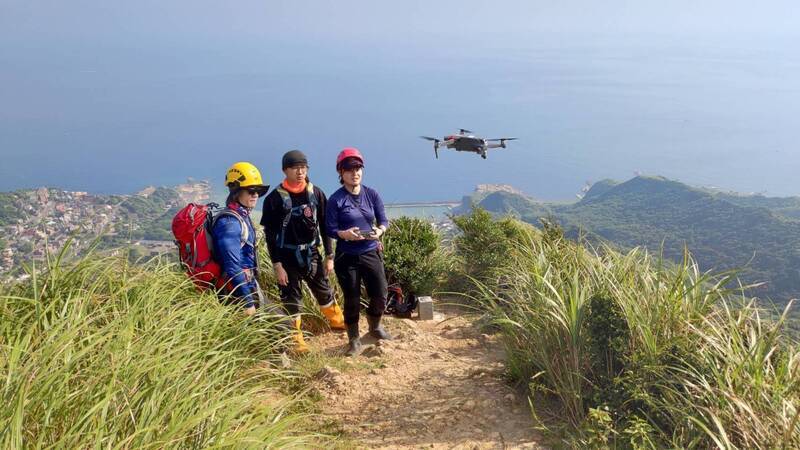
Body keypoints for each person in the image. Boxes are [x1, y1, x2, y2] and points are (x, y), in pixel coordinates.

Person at [261, 150, 346, 353]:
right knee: (291, 299)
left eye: (303, 167)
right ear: (285, 170)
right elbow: (270, 235)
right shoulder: (274, 199)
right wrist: (277, 265)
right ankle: (296, 342)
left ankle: (339, 323)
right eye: (295, 168)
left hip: (311, 253)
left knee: (324, 291)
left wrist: (329, 255)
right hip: (286, 257)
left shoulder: (315, 193)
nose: (300, 172)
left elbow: (325, 226)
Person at [212, 162, 295, 338]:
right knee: (279, 328)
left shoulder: (242, 216)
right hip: (235, 292)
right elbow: (233, 267)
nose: (255, 195)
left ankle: (275, 360)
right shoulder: (230, 224)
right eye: (251, 190)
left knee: (283, 324)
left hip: (249, 286)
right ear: (235, 191)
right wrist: (248, 303)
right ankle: (271, 362)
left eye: (258, 191)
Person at [325, 147, 392, 356]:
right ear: (341, 173)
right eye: (349, 169)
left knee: (380, 293)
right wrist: (345, 234)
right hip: (348, 256)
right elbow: (329, 229)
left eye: (358, 168)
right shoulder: (336, 200)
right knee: (352, 299)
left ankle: (375, 326)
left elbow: (383, 220)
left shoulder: (371, 194)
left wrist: (379, 231)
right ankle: (353, 339)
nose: (355, 173)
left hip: (371, 250)